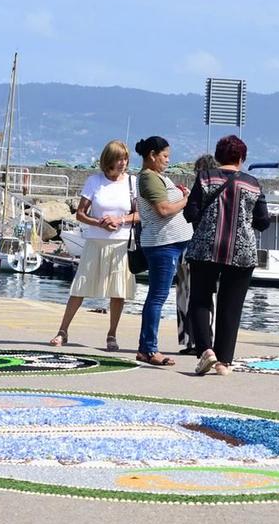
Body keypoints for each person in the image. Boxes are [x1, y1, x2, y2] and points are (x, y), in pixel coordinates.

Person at [184, 135, 272, 375]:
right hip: (241, 252)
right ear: (241, 158)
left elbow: (190, 213)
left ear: (218, 156)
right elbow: (263, 222)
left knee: (200, 300)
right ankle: (224, 361)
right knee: (231, 307)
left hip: (205, 248)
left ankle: (206, 351)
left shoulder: (205, 178)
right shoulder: (253, 184)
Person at [51, 141, 139, 349]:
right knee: (80, 286)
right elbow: (80, 213)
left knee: (118, 291)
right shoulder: (94, 181)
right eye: (118, 158)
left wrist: (120, 221)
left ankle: (112, 335)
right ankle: (63, 331)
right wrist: (99, 222)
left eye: (125, 158)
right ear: (108, 160)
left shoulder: (132, 183)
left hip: (121, 243)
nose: (122, 163)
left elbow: (140, 214)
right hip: (95, 241)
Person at [133, 135, 192, 367]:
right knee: (157, 297)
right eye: (165, 156)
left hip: (170, 244)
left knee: (158, 296)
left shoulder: (156, 177)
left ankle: (146, 347)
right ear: (152, 156)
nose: (168, 160)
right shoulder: (148, 177)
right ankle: (148, 349)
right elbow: (163, 209)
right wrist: (186, 199)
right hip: (162, 245)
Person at [177, 153, 218, 354]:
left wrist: (186, 198)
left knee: (190, 297)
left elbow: (189, 215)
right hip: (215, 251)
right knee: (207, 299)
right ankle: (204, 340)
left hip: (195, 249)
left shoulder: (200, 187)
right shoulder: (220, 188)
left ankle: (194, 341)